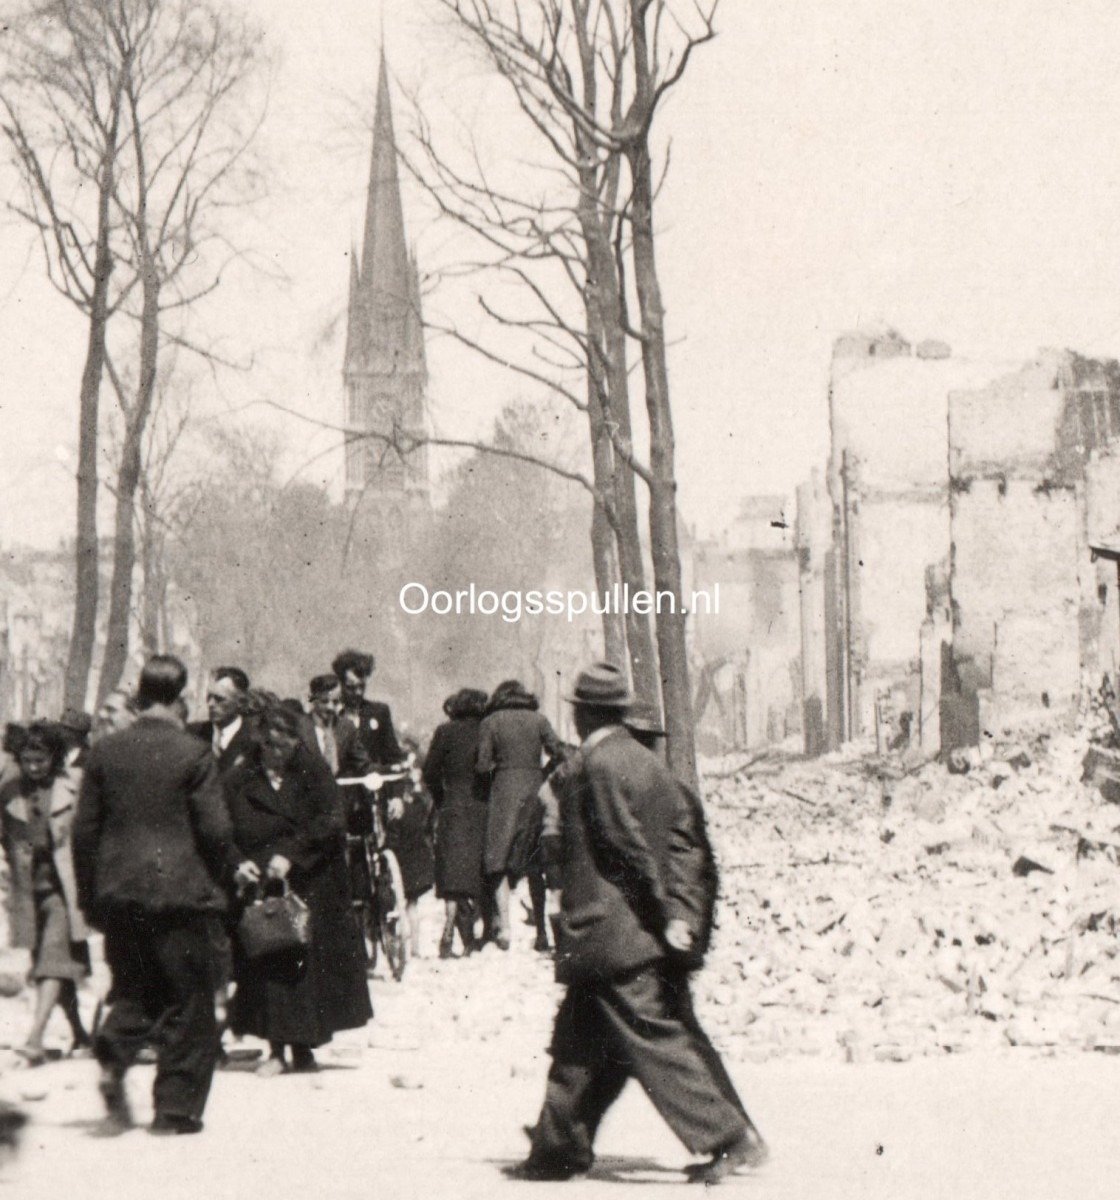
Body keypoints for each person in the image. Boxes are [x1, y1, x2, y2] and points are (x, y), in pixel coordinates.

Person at [514, 662, 767, 1185]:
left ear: (584, 713)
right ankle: (556, 1149)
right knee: (577, 1046)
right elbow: (676, 841)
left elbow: (625, 846)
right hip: (619, 933)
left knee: (652, 1040)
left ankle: (729, 1137)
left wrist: (668, 914)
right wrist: (676, 914)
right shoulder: (640, 762)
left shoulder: (597, 765)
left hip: (614, 931)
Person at [74, 655, 240, 1135]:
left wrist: (91, 896)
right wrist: (226, 874)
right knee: (188, 1003)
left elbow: (85, 833)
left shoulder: (106, 751)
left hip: (120, 895)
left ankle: (114, 1045)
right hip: (181, 897)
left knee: (132, 989)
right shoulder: (193, 753)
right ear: (180, 696)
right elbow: (214, 830)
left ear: (141, 696)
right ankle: (174, 1111)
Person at [224, 705, 372, 1076]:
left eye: (283, 746)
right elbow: (222, 827)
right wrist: (239, 862)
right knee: (268, 966)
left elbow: (331, 821)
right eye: (269, 745)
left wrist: (291, 855)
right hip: (262, 884)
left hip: (311, 881)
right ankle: (275, 1050)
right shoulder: (242, 776)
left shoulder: (314, 771)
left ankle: (305, 1048)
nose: (275, 753)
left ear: (295, 743)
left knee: (307, 970)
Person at [0, 722, 91, 1065]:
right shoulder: (8, 790)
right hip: (27, 890)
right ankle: (80, 1033)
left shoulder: (74, 786)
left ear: (55, 757)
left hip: (65, 889)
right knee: (48, 961)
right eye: (27, 760)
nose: (34, 767)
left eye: (41, 760)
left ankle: (35, 1039)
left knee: (53, 958)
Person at [477, 680, 561, 951]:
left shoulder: (491, 722)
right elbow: (559, 752)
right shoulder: (539, 720)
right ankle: (541, 932)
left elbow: (481, 765)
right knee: (535, 864)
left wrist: (498, 773)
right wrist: (542, 773)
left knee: (497, 859)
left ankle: (505, 928)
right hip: (535, 791)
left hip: (503, 793)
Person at [423, 689, 489, 958]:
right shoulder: (485, 730)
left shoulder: (444, 731)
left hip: (452, 806)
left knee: (452, 872)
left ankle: (450, 931)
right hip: (480, 806)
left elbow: (429, 771)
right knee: (476, 869)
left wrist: (441, 799)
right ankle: (471, 934)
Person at [384, 736, 435, 958]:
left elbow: (392, 836)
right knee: (412, 906)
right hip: (417, 859)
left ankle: (402, 946)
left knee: (397, 906)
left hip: (401, 858)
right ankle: (414, 947)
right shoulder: (420, 804)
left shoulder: (396, 810)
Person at [331, 649, 403, 768]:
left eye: (362, 686)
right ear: (340, 685)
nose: (358, 692)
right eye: (351, 688)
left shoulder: (379, 712)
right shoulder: (331, 714)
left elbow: (392, 756)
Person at [189, 666, 256, 774]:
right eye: (208, 697)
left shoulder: (254, 741)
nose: (210, 704)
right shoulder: (192, 733)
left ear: (241, 702)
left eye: (219, 699)